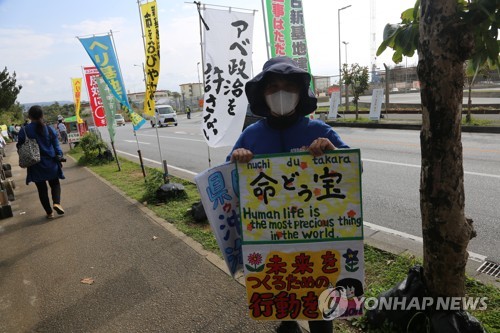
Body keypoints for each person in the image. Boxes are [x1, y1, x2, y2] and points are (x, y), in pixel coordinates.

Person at [228, 56, 349, 333]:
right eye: (272, 87)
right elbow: (231, 185)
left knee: (321, 307)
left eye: (288, 86)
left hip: (315, 234)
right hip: (271, 236)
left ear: (300, 92)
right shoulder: (251, 135)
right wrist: (237, 160)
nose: (280, 93)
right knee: (283, 294)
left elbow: (354, 171)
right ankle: (289, 323)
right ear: (262, 94)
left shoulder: (319, 131)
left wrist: (333, 151)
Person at [17, 105, 65, 219]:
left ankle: (49, 212)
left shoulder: (25, 130)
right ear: (42, 115)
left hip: (35, 164)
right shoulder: (48, 128)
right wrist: (59, 156)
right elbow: (56, 144)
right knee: (55, 184)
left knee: (42, 189)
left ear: (29, 116)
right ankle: (56, 203)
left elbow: (19, 146)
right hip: (51, 162)